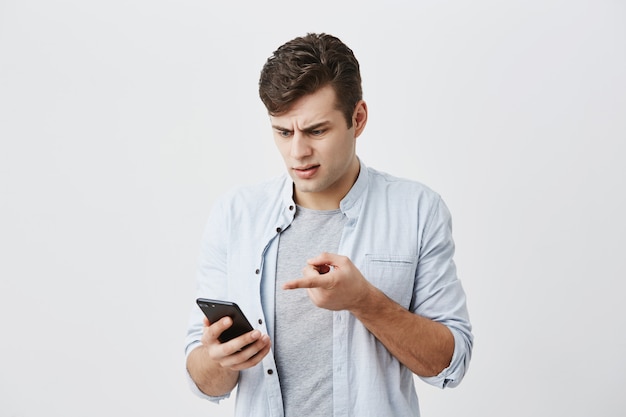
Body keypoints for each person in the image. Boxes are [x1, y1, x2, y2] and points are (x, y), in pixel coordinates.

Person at [185, 32, 473, 416]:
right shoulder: (235, 215)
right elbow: (202, 379)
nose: (297, 152)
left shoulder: (418, 210)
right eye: (283, 132)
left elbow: (449, 365)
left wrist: (364, 301)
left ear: (358, 118)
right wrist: (218, 359)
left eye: (316, 131)